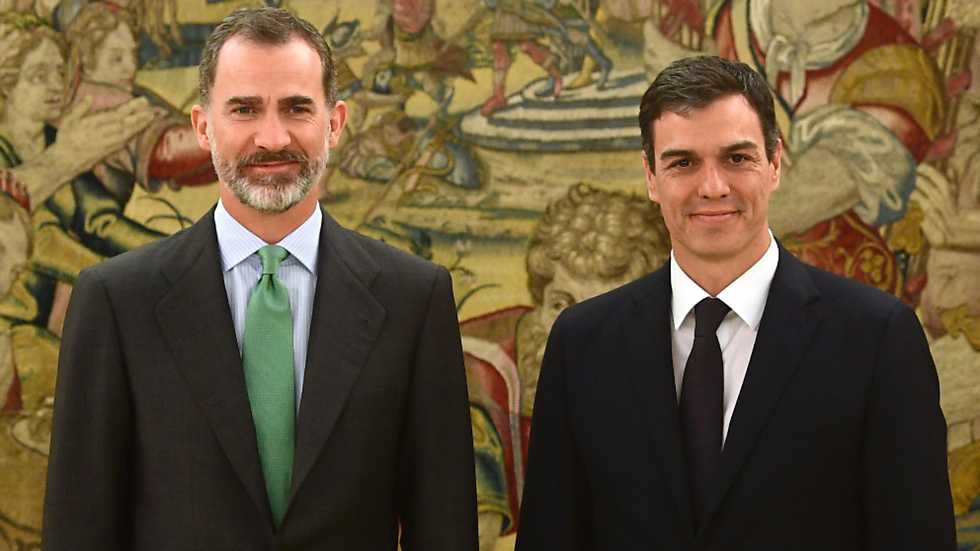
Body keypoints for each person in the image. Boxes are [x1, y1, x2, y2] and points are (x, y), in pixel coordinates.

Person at [42, 7, 478, 550]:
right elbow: (79, 529)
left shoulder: (414, 299)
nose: (272, 138)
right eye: (244, 109)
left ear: (335, 123)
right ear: (203, 127)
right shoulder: (116, 301)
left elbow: (444, 527)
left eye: (297, 108)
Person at [516, 55, 956, 550]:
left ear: (774, 164)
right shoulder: (582, 343)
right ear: (651, 176)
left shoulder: (877, 339)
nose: (712, 187)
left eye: (736, 158)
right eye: (683, 162)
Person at [460, 183, 671, 550]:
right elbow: (471, 536)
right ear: (539, 295)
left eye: (603, 312)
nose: (575, 331)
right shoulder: (475, 373)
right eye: (560, 305)